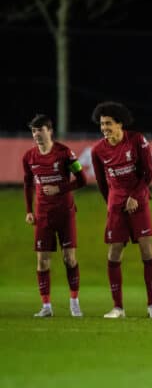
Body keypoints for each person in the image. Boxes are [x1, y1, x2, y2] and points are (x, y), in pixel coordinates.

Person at [90, 101, 152, 318]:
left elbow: (148, 173)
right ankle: (118, 307)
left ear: (120, 123)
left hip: (138, 201)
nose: (105, 128)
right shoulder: (97, 150)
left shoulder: (137, 140)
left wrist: (134, 196)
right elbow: (102, 183)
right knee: (114, 253)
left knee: (147, 251)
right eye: (102, 124)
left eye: (109, 123)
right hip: (116, 205)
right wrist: (111, 203)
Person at [23, 114, 87, 317]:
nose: (36, 135)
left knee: (69, 259)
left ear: (49, 131)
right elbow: (28, 184)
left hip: (65, 214)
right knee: (42, 261)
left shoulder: (65, 153)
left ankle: (74, 302)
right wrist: (29, 211)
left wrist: (59, 188)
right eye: (33, 131)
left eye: (40, 130)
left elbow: (82, 180)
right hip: (43, 216)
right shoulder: (29, 157)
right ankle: (46, 307)